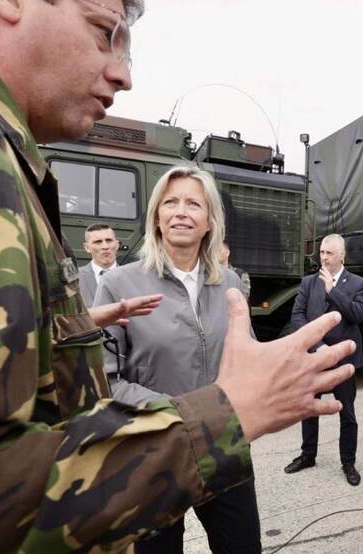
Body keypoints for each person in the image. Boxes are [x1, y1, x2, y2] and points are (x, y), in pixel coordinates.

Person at [0, 2, 355, 551]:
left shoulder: (229, 283)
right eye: (103, 32)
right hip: (164, 452)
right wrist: (223, 415)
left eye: (196, 204)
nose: (123, 73)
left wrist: (51, 337)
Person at [94, 167, 261, 553]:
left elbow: (247, 359)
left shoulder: (230, 283)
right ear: (156, 217)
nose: (180, 212)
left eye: (193, 204)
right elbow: (105, 379)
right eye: (170, 202)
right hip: (155, 453)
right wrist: (181, 413)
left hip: (224, 447)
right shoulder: (119, 284)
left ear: (209, 221)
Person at [284, 234, 363, 486]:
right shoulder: (309, 282)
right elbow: (297, 316)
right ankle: (308, 455)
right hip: (315, 358)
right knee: (309, 409)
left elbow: (358, 314)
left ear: (342, 255)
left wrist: (333, 290)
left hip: (344, 360)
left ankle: (348, 463)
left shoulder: (358, 283)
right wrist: (317, 344)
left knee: (348, 413)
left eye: (329, 253)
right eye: (322, 252)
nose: (323, 257)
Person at [79, 222, 120, 306]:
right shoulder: (76, 279)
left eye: (109, 240)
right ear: (87, 247)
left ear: (117, 245)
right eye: (98, 242)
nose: (105, 246)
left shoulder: (130, 277)